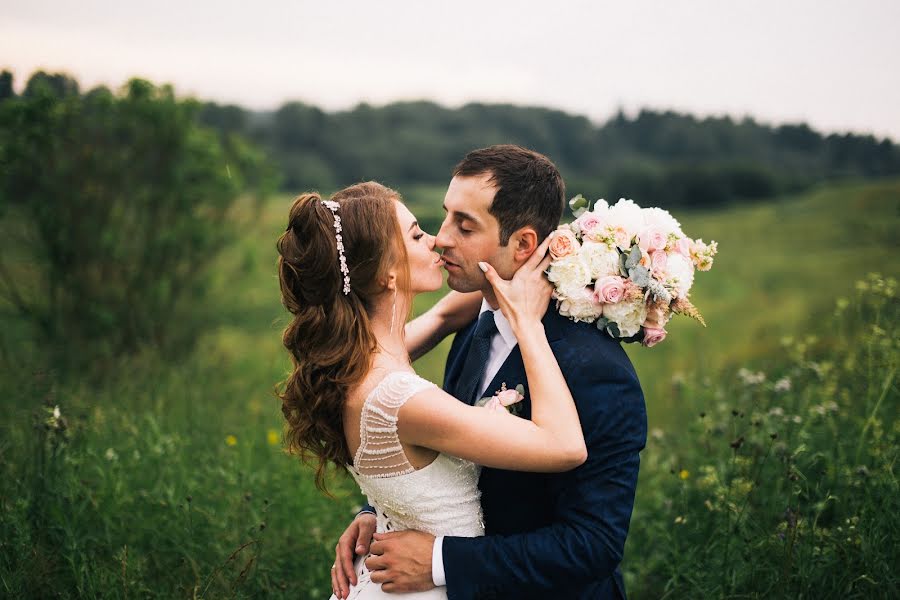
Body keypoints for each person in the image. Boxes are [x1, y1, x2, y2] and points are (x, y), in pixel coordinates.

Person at [333, 146, 647, 599]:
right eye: (444, 217)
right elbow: (446, 445)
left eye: (465, 226)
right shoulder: (474, 326)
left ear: (522, 244)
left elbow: (593, 545)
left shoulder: (593, 368)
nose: (441, 239)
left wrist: (441, 560)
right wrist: (383, 508)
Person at [276, 180, 588, 600]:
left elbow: (446, 314)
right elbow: (564, 446)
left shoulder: (350, 361)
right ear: (387, 273)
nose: (437, 240)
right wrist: (528, 324)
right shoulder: (401, 400)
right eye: (416, 234)